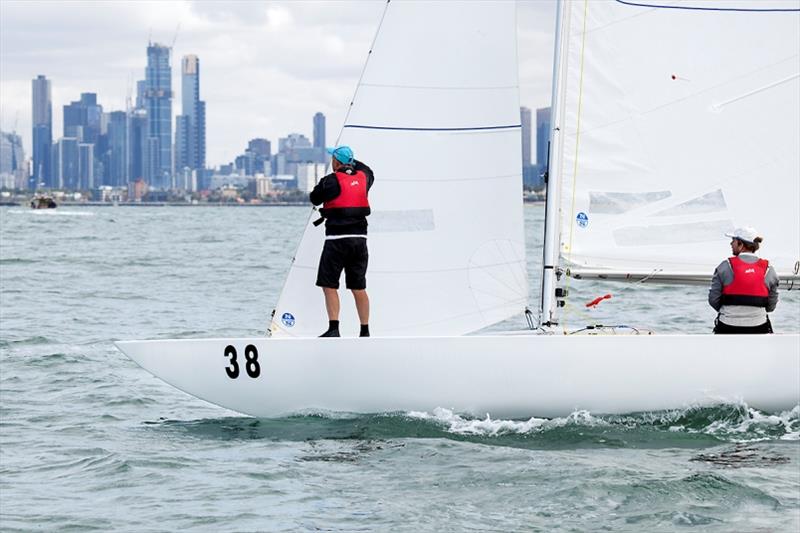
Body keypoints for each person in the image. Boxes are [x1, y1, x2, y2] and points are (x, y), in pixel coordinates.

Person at [309, 145, 375, 338]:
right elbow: (368, 170)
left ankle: (334, 329)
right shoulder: (365, 179)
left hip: (337, 241)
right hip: (359, 241)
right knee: (358, 287)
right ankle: (364, 331)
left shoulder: (330, 181)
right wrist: (352, 163)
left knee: (329, 285)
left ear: (335, 162)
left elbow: (314, 198)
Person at [708, 227, 779, 334]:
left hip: (728, 325)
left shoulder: (725, 266)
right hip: (758, 326)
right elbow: (771, 305)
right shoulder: (769, 269)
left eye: (733, 241)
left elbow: (713, 299)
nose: (731, 244)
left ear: (741, 244)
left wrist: (731, 312)